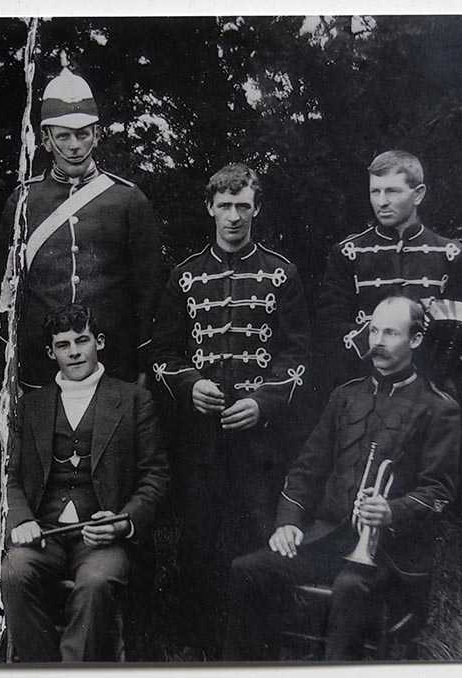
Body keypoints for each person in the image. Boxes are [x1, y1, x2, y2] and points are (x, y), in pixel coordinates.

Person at [224, 296, 460, 661]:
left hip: (391, 557)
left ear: (415, 340)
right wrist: (288, 523)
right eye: (374, 330)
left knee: (350, 589)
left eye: (391, 333)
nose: (377, 340)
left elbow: (439, 492)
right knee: (248, 571)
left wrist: (391, 511)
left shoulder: (438, 408)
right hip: (327, 539)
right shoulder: (345, 396)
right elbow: (307, 469)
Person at [148, 163, 309, 658]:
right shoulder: (185, 275)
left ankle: (265, 641)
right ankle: (196, 641)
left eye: (244, 206)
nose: (234, 216)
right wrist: (190, 385)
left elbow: (298, 353)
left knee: (263, 532)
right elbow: (162, 352)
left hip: (260, 438)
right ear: (210, 208)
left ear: (256, 208)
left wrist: (263, 403)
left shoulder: (282, 272)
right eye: (225, 206)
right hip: (200, 435)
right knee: (196, 537)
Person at [1, 303, 169, 662]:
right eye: (63, 345)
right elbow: (9, 477)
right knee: (14, 572)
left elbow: (155, 476)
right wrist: (21, 520)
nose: (74, 352)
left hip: (101, 540)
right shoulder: (31, 406)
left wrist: (124, 522)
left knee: (94, 584)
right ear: (51, 352)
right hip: (44, 534)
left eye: (82, 340)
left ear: (99, 342)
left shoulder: (133, 399)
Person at [0, 68, 167, 390]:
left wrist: (144, 364)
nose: (74, 145)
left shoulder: (128, 199)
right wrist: (11, 368)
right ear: (45, 140)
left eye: (83, 134)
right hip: (40, 371)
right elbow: (6, 293)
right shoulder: (22, 202)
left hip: (114, 366)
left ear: (97, 134)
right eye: (63, 136)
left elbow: (148, 294)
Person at [315, 150, 462, 394]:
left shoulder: (449, 252)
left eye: (392, 191)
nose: (381, 202)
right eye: (375, 191)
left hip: (432, 392)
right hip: (363, 389)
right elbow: (330, 327)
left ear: (418, 195)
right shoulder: (348, 252)